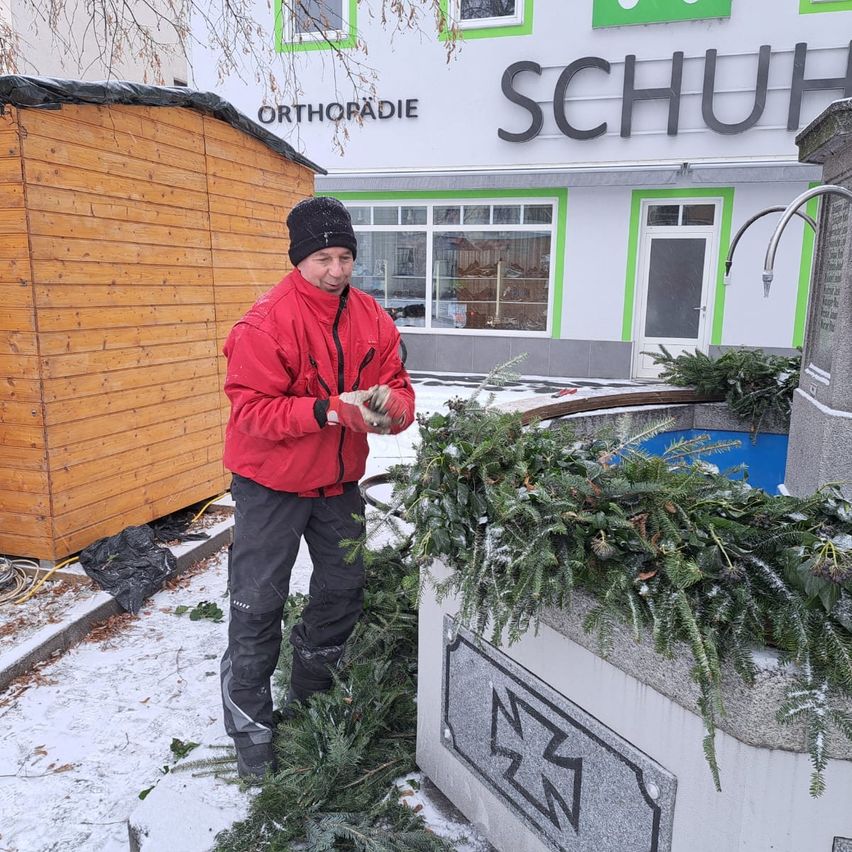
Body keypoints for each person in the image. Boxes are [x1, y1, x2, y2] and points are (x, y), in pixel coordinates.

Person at [219, 196, 415, 780]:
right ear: (300, 259)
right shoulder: (266, 323)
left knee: (341, 593)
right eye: (323, 258)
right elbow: (251, 412)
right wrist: (329, 411)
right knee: (258, 603)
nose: (336, 270)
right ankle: (251, 725)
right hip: (270, 487)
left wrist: (391, 409)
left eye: (345, 257)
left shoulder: (373, 318)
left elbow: (398, 385)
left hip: (337, 486)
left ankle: (309, 696)